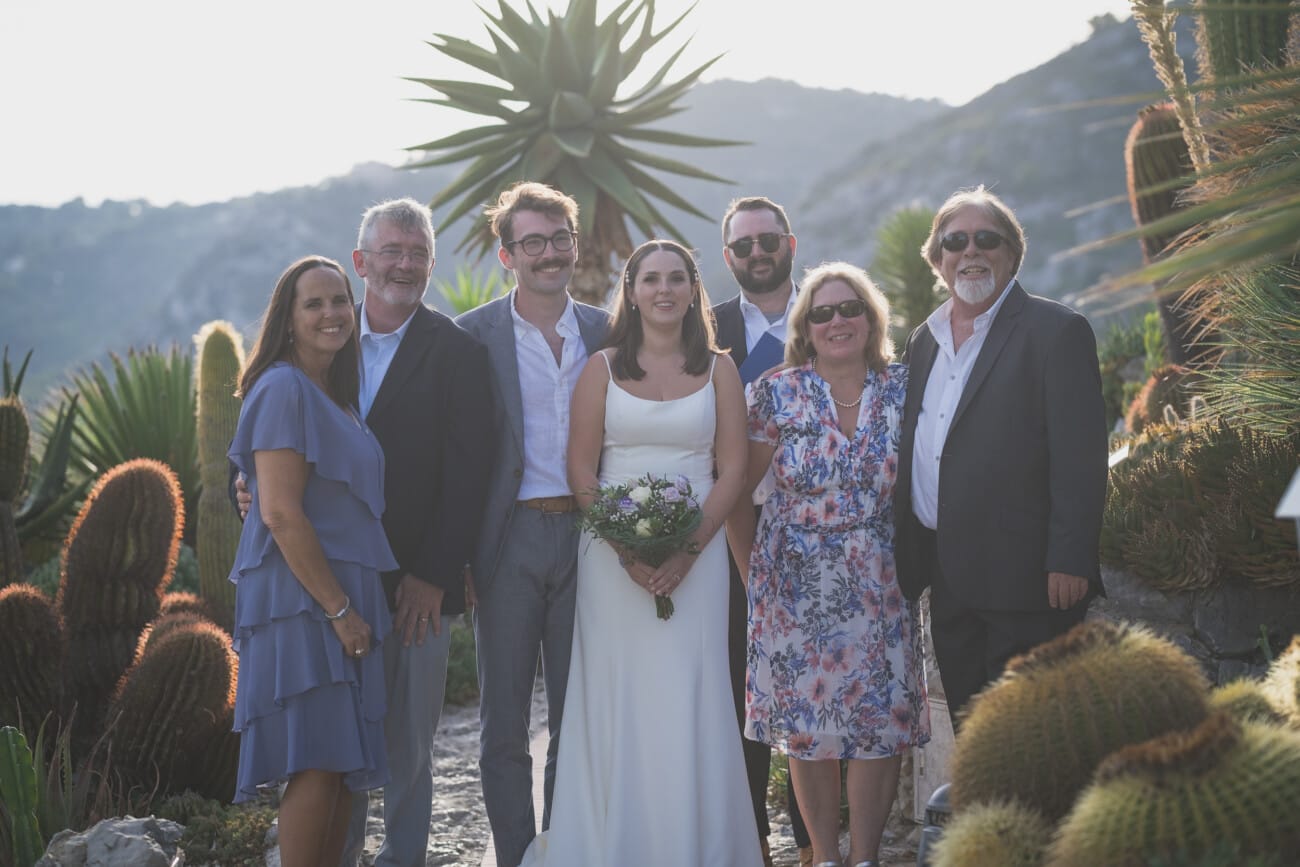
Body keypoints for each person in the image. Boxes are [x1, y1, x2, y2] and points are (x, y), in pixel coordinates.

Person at [237, 199, 497, 867]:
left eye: (417, 253)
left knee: (405, 745)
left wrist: (434, 574)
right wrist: (254, 488)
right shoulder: (328, 350)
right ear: (363, 262)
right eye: (391, 251)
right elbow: (281, 461)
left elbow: (469, 473)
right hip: (320, 583)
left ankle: (402, 857)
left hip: (416, 583)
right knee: (330, 752)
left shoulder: (457, 351)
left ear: (431, 264)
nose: (404, 263)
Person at [519, 239, 761, 866]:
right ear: (630, 290)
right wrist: (627, 550)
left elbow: (732, 470)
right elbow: (580, 468)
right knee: (616, 696)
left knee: (694, 694)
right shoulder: (601, 368)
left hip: (700, 559)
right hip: (611, 561)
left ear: (692, 290)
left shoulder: (720, 369)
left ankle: (697, 846)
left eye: (676, 278)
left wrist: (687, 551)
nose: (663, 290)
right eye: (650, 278)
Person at [734, 262, 930, 867]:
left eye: (851, 309)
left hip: (881, 580)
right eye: (823, 312)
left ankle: (865, 858)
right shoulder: (775, 391)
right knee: (808, 730)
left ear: (872, 320)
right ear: (806, 327)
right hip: (792, 585)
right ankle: (822, 854)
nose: (838, 320)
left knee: (880, 723)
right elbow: (739, 493)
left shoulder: (907, 387)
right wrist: (753, 581)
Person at [894, 185, 1107, 729]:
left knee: (1030, 736)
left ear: (1012, 252)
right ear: (937, 259)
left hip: (1028, 582)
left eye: (986, 239)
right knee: (974, 733)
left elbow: (1081, 455)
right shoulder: (924, 339)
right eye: (955, 241)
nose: (970, 251)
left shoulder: (1057, 331)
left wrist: (1070, 557)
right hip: (948, 578)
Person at [454, 181, 610, 867]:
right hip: (506, 539)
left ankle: (566, 849)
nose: (549, 253)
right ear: (506, 253)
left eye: (559, 239)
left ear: (575, 245)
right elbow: (451, 452)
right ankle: (517, 856)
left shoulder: (608, 331)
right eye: (533, 242)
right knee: (504, 724)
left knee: (578, 718)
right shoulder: (472, 336)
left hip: (590, 538)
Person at [228, 255, 395, 867]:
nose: (331, 313)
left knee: (341, 767)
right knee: (318, 763)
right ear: (289, 318)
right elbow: (279, 513)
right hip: (306, 600)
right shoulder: (281, 387)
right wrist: (341, 609)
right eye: (314, 303)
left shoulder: (332, 392)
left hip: (339, 594)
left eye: (339, 300)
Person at [711, 195, 811, 866]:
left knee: (815, 694)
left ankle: (816, 842)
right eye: (742, 245)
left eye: (766, 240)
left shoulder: (833, 314)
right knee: (736, 693)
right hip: (728, 542)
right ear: (728, 257)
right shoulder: (705, 328)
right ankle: (752, 843)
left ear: (790, 242)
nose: (756, 253)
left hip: (820, 540)